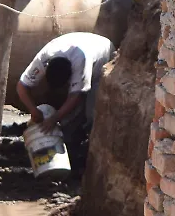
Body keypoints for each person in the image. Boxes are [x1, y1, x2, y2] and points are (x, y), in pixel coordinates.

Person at [16, 32, 114, 176]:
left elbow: (77, 96)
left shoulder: (81, 61)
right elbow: (21, 86)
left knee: (91, 113)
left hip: (102, 56)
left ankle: (87, 157)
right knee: (69, 113)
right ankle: (71, 143)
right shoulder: (44, 58)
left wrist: (55, 119)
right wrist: (33, 110)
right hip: (76, 45)